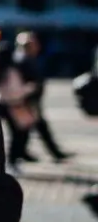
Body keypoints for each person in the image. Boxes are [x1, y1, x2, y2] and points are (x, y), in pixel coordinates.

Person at [12, 31, 73, 164]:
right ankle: (18, 155)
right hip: (26, 100)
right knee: (28, 129)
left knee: (28, 129)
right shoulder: (23, 60)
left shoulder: (27, 59)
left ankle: (22, 153)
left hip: (30, 99)